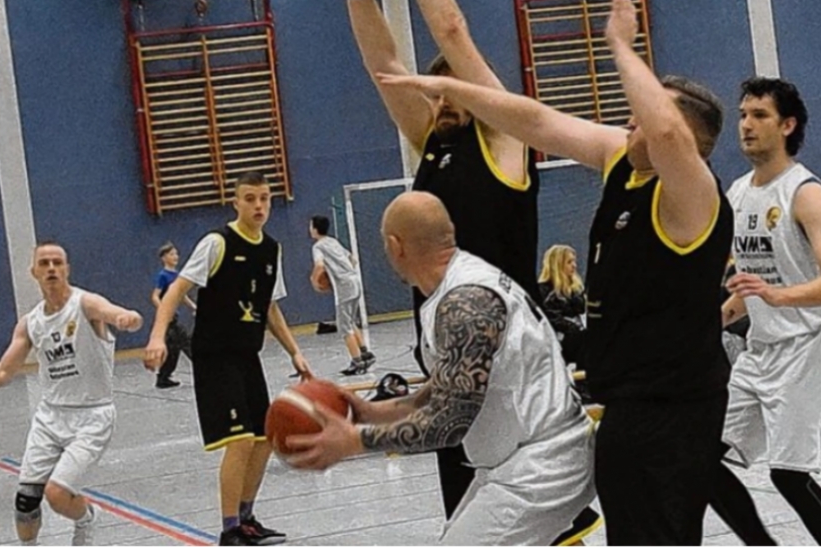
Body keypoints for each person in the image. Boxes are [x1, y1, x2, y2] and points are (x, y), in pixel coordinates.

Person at [380, 0, 734, 545]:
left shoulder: (693, 196)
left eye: (641, 115)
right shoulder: (623, 161)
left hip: (675, 411)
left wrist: (621, 46)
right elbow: (538, 121)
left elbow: (666, 130)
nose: (630, 122)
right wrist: (454, 88)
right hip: (622, 404)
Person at [334, 0, 544, 525]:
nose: (443, 102)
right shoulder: (435, 142)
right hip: (451, 361)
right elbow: (384, 65)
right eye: (438, 94)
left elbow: (453, 31)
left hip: (508, 361)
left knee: (528, 517)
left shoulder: (506, 141)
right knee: (475, 522)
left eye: (454, 90)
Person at [286, 191, 596, 546]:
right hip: (520, 459)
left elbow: (450, 423)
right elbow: (451, 387)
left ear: (395, 245)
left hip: (542, 463)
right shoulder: (461, 285)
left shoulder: (465, 302)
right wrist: (372, 411)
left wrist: (355, 441)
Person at [712, 77, 821, 546]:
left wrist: (778, 296)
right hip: (763, 349)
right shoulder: (737, 194)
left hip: (812, 344)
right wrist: (708, 323)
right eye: (742, 115)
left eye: (759, 116)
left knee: (790, 476)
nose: (746, 125)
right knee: (700, 458)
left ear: (787, 125)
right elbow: (749, 285)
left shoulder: (805, 192)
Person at [143, 172, 312, 547]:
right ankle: (229, 528)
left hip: (247, 354)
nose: (258, 205)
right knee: (239, 440)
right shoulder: (217, 243)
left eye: (264, 198)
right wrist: (157, 337)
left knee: (264, 439)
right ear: (235, 202)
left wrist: (295, 352)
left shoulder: (271, 250)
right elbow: (176, 291)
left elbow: (270, 308)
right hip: (215, 355)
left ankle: (247, 519)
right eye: (250, 198)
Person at [0, 241, 143, 547]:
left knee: (56, 494)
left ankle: (86, 518)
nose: (51, 268)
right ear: (34, 272)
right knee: (25, 501)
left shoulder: (85, 304)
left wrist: (127, 317)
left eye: (57, 262)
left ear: (67, 268)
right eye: (44, 263)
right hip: (51, 416)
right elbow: (4, 371)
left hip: (91, 416)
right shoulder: (30, 323)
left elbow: (113, 311)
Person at [309, 215, 376, 375]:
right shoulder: (333, 241)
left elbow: (319, 266)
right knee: (350, 321)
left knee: (344, 327)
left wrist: (314, 280)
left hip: (344, 287)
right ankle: (365, 354)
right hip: (354, 280)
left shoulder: (318, 247)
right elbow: (352, 259)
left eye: (311, 226)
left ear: (315, 229)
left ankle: (357, 362)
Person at [151, 241, 195, 389]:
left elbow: (181, 295)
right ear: (164, 258)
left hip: (173, 317)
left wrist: (193, 307)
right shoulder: (163, 276)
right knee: (187, 343)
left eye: (176, 254)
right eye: (171, 254)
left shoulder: (177, 275)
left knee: (173, 349)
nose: (175, 256)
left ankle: (163, 378)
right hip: (169, 319)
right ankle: (204, 370)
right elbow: (155, 296)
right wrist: (164, 311)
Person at [537, 244, 587, 368]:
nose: (574, 266)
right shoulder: (544, 289)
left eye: (574, 261)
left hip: (577, 336)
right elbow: (551, 317)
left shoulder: (575, 288)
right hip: (559, 340)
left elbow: (581, 308)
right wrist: (573, 329)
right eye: (569, 262)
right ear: (557, 265)